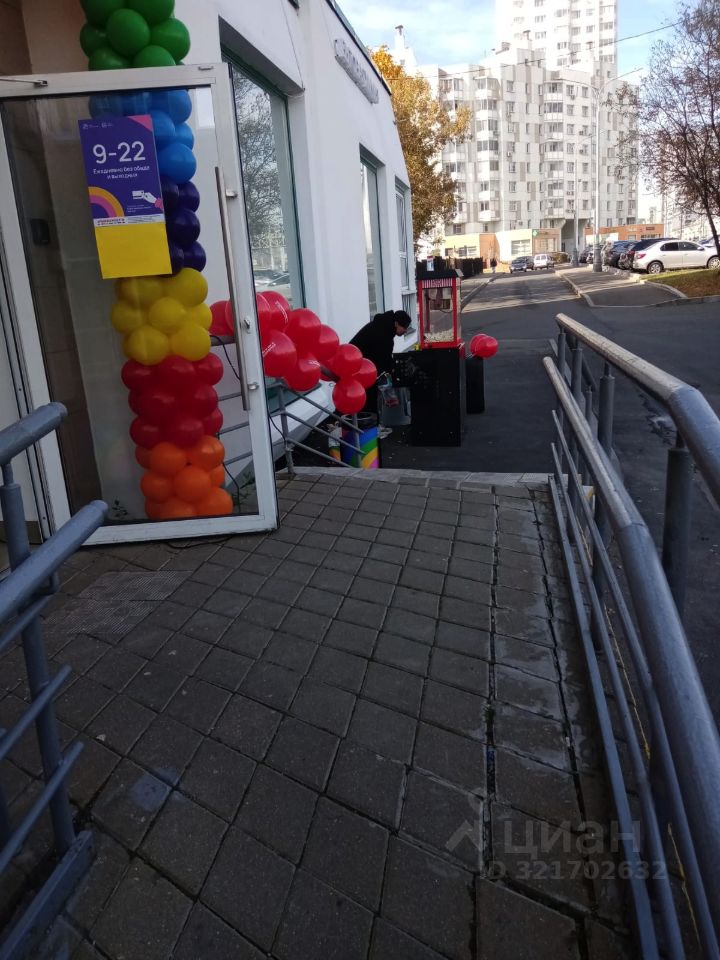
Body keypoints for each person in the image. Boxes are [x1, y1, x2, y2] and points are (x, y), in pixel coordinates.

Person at [350, 309, 411, 413]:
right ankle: (369, 418)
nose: (405, 331)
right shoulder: (384, 334)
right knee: (368, 397)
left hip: (359, 364)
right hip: (357, 367)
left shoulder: (382, 326)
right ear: (396, 323)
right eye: (404, 327)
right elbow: (384, 360)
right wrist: (392, 376)